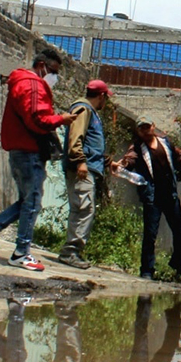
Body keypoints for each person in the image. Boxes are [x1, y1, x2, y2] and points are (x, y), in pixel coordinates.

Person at [0, 48, 77, 272]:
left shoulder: (25, 83)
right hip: (29, 152)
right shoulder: (32, 85)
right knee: (32, 201)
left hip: (22, 151)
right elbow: (37, 119)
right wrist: (61, 119)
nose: (54, 77)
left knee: (28, 201)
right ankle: (21, 252)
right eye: (53, 71)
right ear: (41, 66)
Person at [117, 118, 181, 281]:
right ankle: (147, 270)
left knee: (180, 231)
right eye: (142, 129)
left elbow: (178, 159)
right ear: (138, 131)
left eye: (148, 127)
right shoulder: (137, 148)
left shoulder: (165, 142)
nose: (145, 131)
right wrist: (122, 165)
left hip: (170, 194)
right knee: (150, 234)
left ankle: (178, 265)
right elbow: (130, 161)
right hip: (152, 196)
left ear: (153, 127)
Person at [58, 79, 114, 269]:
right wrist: (80, 161)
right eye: (106, 98)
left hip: (88, 165)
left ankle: (72, 251)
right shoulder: (84, 109)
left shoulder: (91, 112)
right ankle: (71, 252)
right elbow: (76, 136)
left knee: (81, 208)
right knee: (84, 209)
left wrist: (104, 160)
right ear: (102, 96)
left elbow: (90, 143)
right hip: (82, 168)